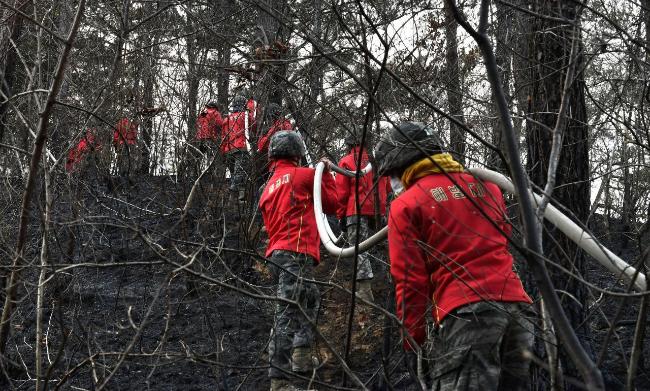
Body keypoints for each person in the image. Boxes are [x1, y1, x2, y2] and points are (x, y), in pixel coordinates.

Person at [374, 121, 534, 390]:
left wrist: (412, 337)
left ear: (402, 165)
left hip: (468, 316)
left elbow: (410, 279)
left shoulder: (406, 205)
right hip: (518, 311)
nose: (391, 181)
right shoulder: (489, 186)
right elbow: (504, 237)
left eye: (392, 173)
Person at [258, 131, 337, 391]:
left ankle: (301, 357)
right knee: (288, 312)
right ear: (297, 153)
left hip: (279, 253)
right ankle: (279, 381)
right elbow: (333, 204)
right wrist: (325, 173)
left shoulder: (267, 186)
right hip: (295, 253)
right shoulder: (305, 176)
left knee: (310, 298)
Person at [335, 126, 389, 303]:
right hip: (378, 211)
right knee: (385, 246)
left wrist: (341, 216)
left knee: (359, 249)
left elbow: (341, 194)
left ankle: (365, 291)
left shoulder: (346, 162)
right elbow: (388, 187)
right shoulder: (377, 161)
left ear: (349, 144)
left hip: (355, 211)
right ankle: (392, 281)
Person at [221, 95, 255, 203]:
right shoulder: (246, 115)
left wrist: (223, 151)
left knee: (235, 173)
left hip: (229, 149)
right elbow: (254, 127)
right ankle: (233, 195)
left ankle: (240, 197)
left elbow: (223, 136)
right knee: (241, 172)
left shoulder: (226, 119)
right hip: (242, 147)